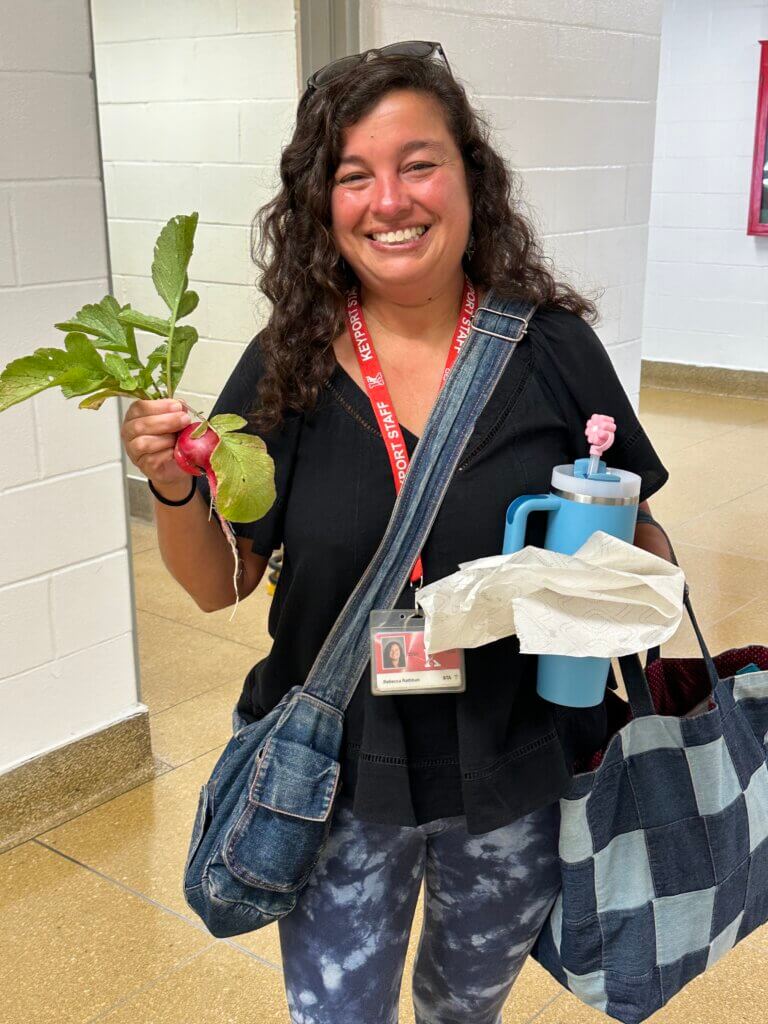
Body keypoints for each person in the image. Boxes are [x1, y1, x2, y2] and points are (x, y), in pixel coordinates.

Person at [120, 41, 673, 1024]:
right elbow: (219, 584)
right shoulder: (285, 365)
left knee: (466, 1009)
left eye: (419, 163)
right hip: (337, 779)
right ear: (321, 206)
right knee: (337, 1013)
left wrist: (611, 580)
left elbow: (646, 544)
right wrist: (173, 488)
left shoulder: (551, 348)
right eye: (353, 175)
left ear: (470, 179)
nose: (390, 199)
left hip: (513, 769)